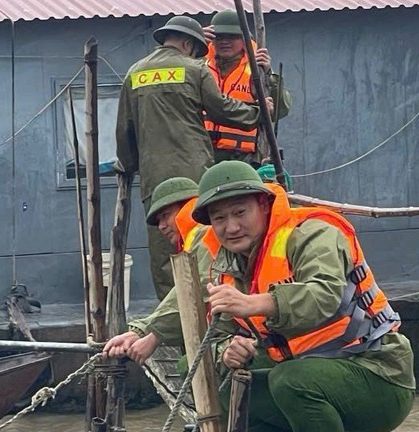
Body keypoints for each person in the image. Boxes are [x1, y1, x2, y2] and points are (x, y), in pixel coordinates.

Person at [107, 160, 416, 432]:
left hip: (378, 376)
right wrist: (227, 349)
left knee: (291, 380)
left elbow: (323, 295)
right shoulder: (228, 263)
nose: (231, 227)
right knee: (224, 382)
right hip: (310, 375)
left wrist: (254, 303)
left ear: (265, 204)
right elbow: (210, 325)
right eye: (219, 218)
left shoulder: (313, 234)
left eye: (240, 212)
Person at [115, 15, 273, 301]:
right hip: (195, 175)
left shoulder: (134, 73)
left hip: (155, 177)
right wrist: (258, 112)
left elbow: (125, 131)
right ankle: (210, 305)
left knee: (166, 251)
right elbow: (222, 110)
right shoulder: (194, 69)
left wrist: (128, 166)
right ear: (188, 44)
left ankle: (171, 318)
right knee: (203, 242)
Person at [104, 177, 218, 365]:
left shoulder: (205, 234)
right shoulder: (193, 240)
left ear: (187, 207)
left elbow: (199, 286)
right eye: (158, 221)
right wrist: (140, 331)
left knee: (188, 366)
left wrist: (152, 333)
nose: (162, 226)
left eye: (165, 215)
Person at [203, 10, 292, 166]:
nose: (225, 41)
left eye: (232, 36)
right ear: (211, 40)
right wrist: (193, 44)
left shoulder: (257, 70)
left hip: (243, 158)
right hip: (203, 154)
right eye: (219, 36)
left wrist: (269, 76)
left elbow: (280, 111)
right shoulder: (198, 66)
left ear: (244, 39)